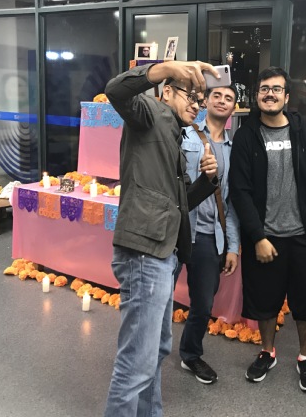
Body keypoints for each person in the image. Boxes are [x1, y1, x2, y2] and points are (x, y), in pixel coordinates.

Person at [103, 60, 221, 417]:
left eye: (201, 101)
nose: (197, 105)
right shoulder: (149, 113)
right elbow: (115, 90)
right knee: (137, 362)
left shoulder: (174, 136)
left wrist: (208, 182)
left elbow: (181, 204)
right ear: (167, 91)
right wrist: (165, 67)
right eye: (191, 95)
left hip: (163, 252)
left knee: (155, 353)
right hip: (145, 251)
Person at [229, 66, 306, 393]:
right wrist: (257, 237)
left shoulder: (303, 130)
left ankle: (305, 357)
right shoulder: (246, 136)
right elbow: (240, 191)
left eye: (277, 89)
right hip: (267, 239)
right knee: (264, 301)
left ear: (286, 97)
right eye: (264, 89)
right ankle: (267, 352)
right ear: (257, 95)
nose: (270, 94)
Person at [177, 84, 240, 384]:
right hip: (176, 229)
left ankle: (190, 354)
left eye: (229, 98)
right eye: (217, 95)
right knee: (157, 297)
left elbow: (229, 203)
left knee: (203, 304)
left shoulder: (233, 151)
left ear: (234, 108)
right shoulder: (183, 134)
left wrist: (233, 246)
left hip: (208, 236)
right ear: (207, 101)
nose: (222, 101)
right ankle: (149, 352)